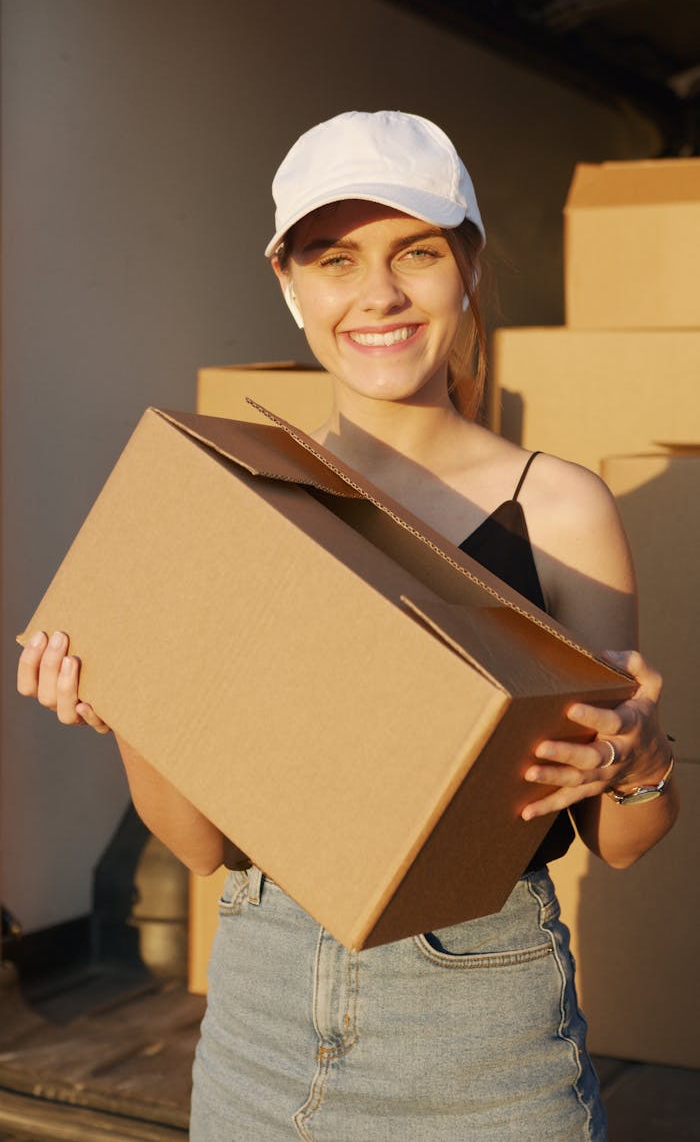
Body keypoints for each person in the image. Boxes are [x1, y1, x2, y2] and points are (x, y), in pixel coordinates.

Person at [18, 110, 679, 1141]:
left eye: (414, 252)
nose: (376, 294)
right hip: (259, 1019)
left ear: (466, 266)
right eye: (335, 258)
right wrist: (128, 699)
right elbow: (198, 846)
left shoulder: (555, 507)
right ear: (289, 283)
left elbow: (626, 839)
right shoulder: (239, 494)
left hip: (480, 1032)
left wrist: (637, 760)